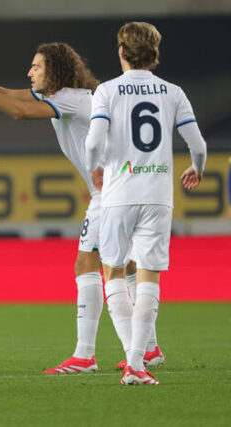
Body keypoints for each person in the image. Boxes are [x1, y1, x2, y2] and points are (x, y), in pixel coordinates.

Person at [0, 42, 164, 374]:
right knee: (128, 265)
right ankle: (148, 349)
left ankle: (87, 355)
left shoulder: (70, 99)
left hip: (110, 194)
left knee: (89, 264)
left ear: (56, 72)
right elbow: (12, 94)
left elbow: (18, 111)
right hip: (125, 186)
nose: (29, 72)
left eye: (36, 67)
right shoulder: (71, 97)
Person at [86, 22, 207, 385]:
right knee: (149, 277)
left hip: (119, 195)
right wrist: (196, 170)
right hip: (158, 197)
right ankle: (137, 363)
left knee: (115, 274)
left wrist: (95, 168)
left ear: (122, 51)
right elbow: (198, 146)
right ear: (154, 52)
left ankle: (133, 360)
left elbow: (93, 143)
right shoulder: (173, 92)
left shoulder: (107, 91)